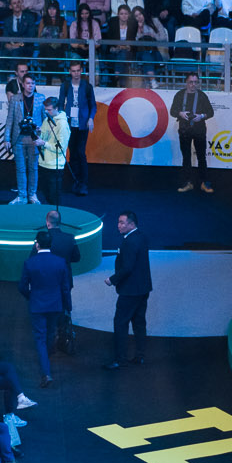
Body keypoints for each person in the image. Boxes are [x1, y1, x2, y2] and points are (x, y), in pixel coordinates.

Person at [19, 232, 72, 388]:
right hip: (55, 305)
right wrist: (68, 306)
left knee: (40, 338)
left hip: (37, 305)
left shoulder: (30, 263)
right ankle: (47, 358)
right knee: (50, 333)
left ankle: (46, 372)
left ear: (37, 244)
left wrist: (31, 296)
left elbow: (22, 286)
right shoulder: (60, 262)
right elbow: (65, 288)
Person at [103, 210, 150, 369]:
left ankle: (120, 359)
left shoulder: (129, 242)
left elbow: (127, 268)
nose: (118, 225)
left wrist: (112, 280)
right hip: (143, 288)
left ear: (131, 224)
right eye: (118, 222)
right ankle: (140, 356)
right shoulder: (141, 237)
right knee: (139, 323)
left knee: (120, 323)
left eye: (122, 222)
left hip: (130, 291)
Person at [170, 73, 214, 193]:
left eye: (195, 82)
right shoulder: (179, 95)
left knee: (201, 157)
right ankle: (187, 182)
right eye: (191, 82)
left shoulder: (202, 96)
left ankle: (204, 182)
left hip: (199, 130)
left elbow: (211, 112)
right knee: (186, 157)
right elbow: (172, 111)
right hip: (184, 131)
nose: (193, 85)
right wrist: (180, 113)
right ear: (186, 82)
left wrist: (202, 116)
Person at [56, 61, 96, 195]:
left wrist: (91, 118)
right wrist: (62, 119)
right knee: (72, 153)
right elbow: (60, 103)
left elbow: (93, 105)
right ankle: (75, 181)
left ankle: (83, 183)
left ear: (81, 71)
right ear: (69, 72)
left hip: (83, 125)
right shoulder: (65, 85)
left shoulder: (87, 86)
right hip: (69, 124)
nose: (76, 73)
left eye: (78, 70)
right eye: (73, 71)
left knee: (80, 153)